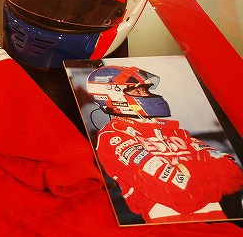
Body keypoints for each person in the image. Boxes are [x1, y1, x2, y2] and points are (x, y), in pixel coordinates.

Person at [87, 65, 243, 223]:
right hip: (171, 225)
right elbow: (177, 194)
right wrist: (210, 177)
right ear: (113, 97)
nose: (147, 95)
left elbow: (233, 173)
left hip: (219, 221)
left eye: (146, 90)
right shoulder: (114, 137)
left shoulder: (174, 131)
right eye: (137, 91)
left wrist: (185, 171)